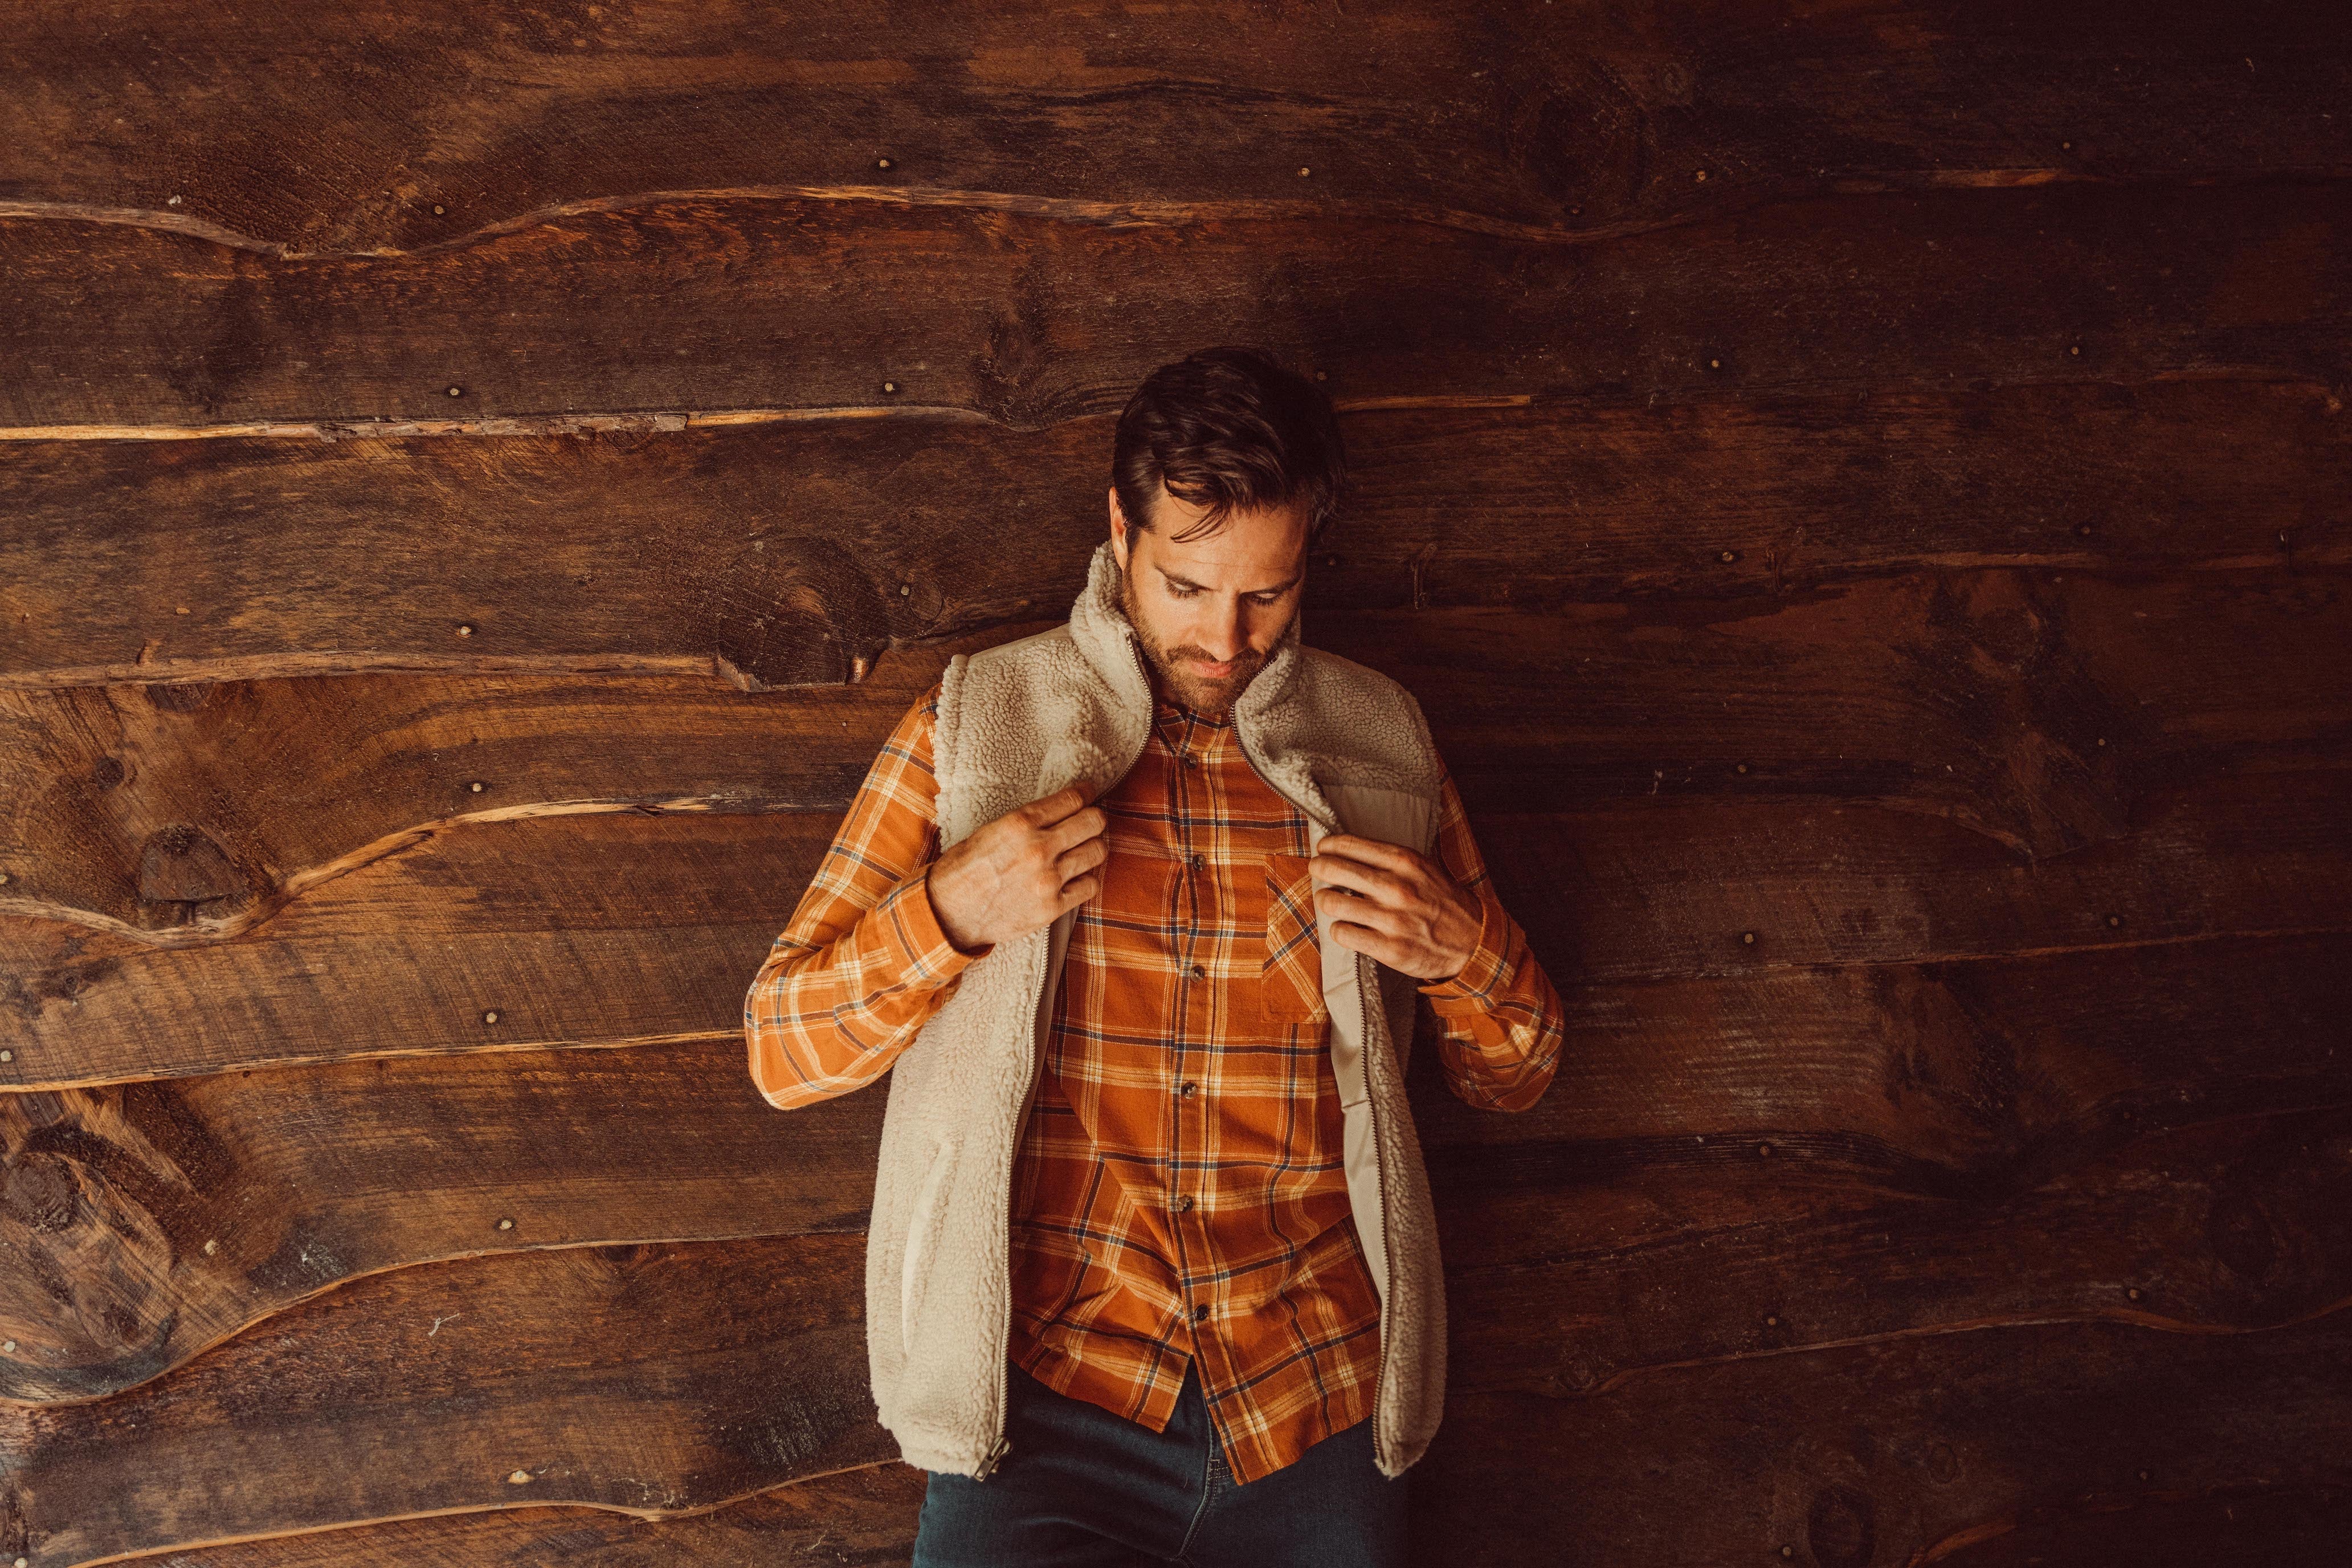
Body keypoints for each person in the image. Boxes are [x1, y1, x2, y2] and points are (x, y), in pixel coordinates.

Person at [745, 346, 1567, 1566]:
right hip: (1043, 1416)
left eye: (1267, 595)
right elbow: (780, 1050)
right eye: (1186, 585)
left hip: (1315, 1411)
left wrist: (1464, 947)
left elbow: (1519, 1072)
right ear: (1119, 525)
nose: (1225, 638)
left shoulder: (1381, 739)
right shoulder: (976, 723)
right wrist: (950, 913)